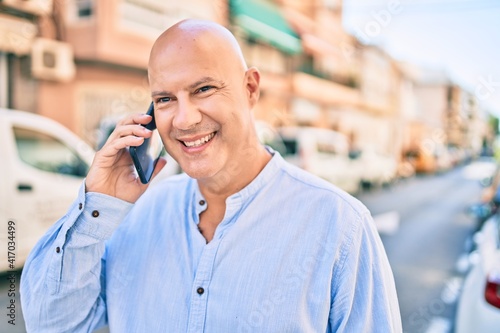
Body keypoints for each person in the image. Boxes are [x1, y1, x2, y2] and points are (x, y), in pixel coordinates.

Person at [20, 19, 402, 332]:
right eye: (165, 99)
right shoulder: (130, 216)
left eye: (203, 89)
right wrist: (96, 207)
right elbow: (55, 324)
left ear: (250, 88)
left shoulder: (340, 226)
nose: (184, 119)